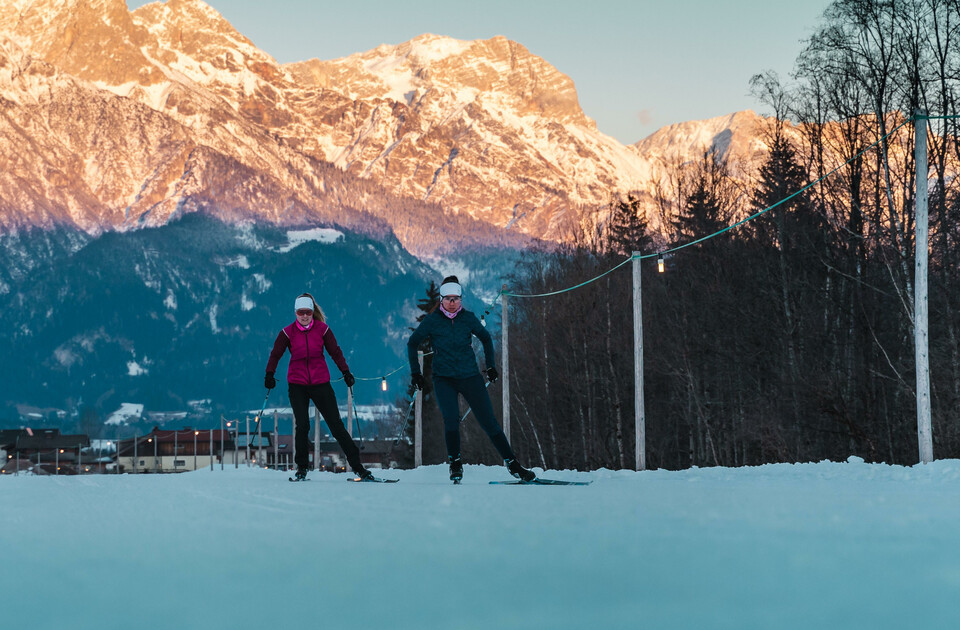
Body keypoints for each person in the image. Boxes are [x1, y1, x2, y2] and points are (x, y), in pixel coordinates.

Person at [407, 276, 536, 483]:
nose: (452, 302)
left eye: (456, 299)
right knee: (451, 421)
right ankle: (455, 464)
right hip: (444, 379)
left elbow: (486, 338)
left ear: (461, 300)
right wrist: (416, 373)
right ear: (441, 300)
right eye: (448, 299)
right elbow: (412, 344)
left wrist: (491, 365)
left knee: (489, 423)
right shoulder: (432, 321)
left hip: (470, 377)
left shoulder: (468, 318)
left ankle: (514, 465)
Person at [264, 293, 372, 481]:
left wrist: (346, 372)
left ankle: (358, 467)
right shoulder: (287, 333)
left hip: (320, 382)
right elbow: (275, 354)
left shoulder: (323, 330)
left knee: (336, 426)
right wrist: (269, 374)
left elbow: (335, 352)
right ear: (295, 313)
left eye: (307, 312)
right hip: (297, 384)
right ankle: (302, 468)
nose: (304, 316)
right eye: (300, 312)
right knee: (303, 425)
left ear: (312, 312)